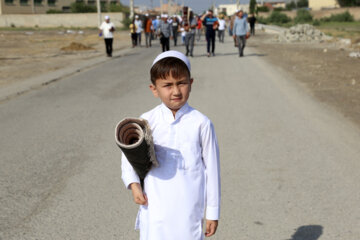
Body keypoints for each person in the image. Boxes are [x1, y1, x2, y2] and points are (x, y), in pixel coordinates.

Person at [121, 50, 221, 240]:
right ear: (154, 89)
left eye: (181, 83)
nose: (176, 91)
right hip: (155, 206)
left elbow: (213, 170)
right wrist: (134, 185)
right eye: (167, 85)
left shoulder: (201, 123)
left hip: (189, 208)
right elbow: (129, 158)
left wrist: (213, 213)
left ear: (191, 83)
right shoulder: (146, 121)